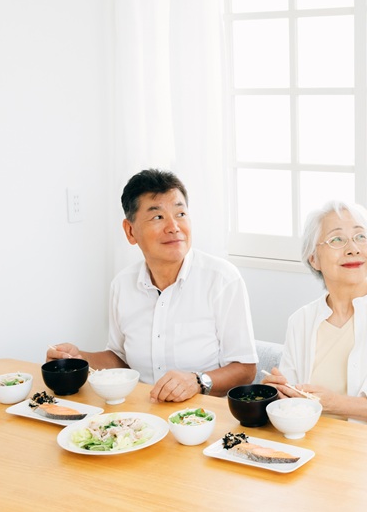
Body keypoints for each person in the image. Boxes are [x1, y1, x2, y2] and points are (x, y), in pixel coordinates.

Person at [47, 169, 257, 403]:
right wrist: (78, 359)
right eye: (158, 217)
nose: (174, 227)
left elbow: (245, 369)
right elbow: (120, 358)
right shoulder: (122, 285)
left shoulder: (222, 279)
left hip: (202, 418)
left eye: (180, 213)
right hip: (141, 416)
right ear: (130, 231)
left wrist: (198, 381)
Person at [261, 200, 367, 435]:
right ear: (314, 259)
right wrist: (279, 394)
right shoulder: (301, 321)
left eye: (361, 237)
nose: (353, 248)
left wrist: (335, 403)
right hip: (314, 447)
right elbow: (293, 401)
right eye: (336, 239)